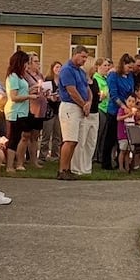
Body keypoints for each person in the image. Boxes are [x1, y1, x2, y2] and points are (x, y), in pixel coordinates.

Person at [56, 46, 96, 180]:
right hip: (70, 107)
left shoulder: (81, 71)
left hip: (80, 107)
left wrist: (89, 101)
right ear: (75, 54)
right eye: (83, 56)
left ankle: (68, 168)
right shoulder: (67, 70)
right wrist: (83, 104)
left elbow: (87, 87)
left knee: (75, 141)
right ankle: (62, 169)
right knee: (69, 139)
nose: (85, 60)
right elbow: (71, 91)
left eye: (86, 57)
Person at [99, 54, 136, 171]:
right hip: (115, 109)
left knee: (123, 138)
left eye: (131, 68)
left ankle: (121, 162)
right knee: (111, 137)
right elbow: (113, 93)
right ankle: (106, 162)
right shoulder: (113, 75)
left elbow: (131, 91)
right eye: (129, 67)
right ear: (123, 65)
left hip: (127, 107)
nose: (130, 70)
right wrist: (123, 106)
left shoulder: (130, 76)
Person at [3, 50, 34, 172]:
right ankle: (9, 165)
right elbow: (14, 97)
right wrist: (29, 97)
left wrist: (31, 90)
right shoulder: (13, 77)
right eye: (26, 63)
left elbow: (21, 92)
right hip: (15, 112)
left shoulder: (20, 77)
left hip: (23, 111)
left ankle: (17, 163)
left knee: (21, 136)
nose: (27, 65)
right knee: (14, 139)